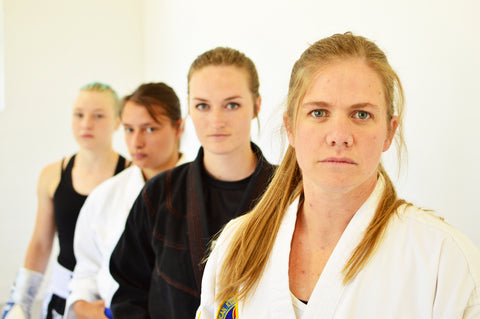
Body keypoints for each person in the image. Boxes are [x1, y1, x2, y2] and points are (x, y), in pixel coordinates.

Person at [196, 32, 480, 318]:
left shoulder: (444, 261)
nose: (339, 136)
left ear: (389, 132)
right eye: (319, 113)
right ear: (291, 128)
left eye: (361, 115)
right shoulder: (236, 246)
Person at [109, 47, 276, 319]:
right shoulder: (159, 194)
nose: (216, 120)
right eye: (202, 106)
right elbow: (130, 289)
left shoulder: (289, 193)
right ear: (189, 108)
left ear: (256, 105)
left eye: (232, 105)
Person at [2, 82, 129, 319]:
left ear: (117, 121)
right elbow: (41, 243)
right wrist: (20, 300)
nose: (86, 124)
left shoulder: (132, 176)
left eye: (98, 115)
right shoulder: (52, 175)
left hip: (113, 298)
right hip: (62, 293)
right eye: (79, 115)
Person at [62, 82, 186, 319]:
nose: (136, 142)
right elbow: (86, 270)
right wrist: (82, 306)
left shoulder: (202, 192)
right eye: (129, 129)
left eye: (149, 129)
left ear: (178, 127)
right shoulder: (105, 196)